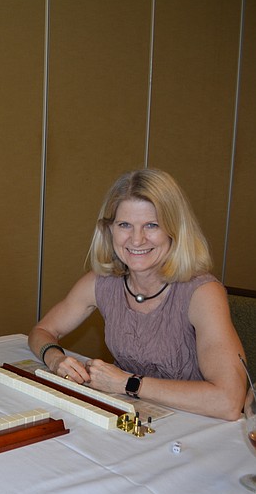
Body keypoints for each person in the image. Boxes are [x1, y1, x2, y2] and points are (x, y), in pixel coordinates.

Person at [29, 168, 247, 421]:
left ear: (174, 231)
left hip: (197, 426)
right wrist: (56, 359)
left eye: (151, 225)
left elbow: (229, 402)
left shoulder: (203, 293)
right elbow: (41, 331)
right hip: (142, 419)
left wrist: (128, 384)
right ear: (109, 230)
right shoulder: (101, 282)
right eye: (124, 225)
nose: (137, 239)